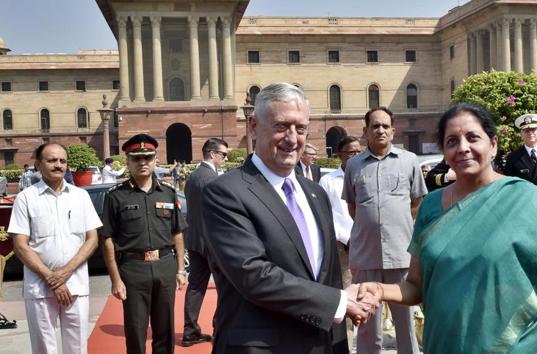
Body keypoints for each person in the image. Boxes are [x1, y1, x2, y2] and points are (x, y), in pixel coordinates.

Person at [357, 102, 537, 353]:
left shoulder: (527, 201)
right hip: (444, 344)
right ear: (445, 152)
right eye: (452, 141)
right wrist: (380, 290)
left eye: (473, 138)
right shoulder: (430, 207)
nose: (462, 148)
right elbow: (415, 286)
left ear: (493, 145)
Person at [202, 83, 377, 353]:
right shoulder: (225, 192)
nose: (293, 139)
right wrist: (339, 302)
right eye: (282, 126)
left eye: (301, 128)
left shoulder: (315, 194)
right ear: (253, 126)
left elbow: (328, 277)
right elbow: (254, 275)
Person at [342, 106, 426, 354]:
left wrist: (394, 223)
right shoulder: (354, 165)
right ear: (365, 131)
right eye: (375, 126)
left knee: (405, 322)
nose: (380, 130)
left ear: (393, 131)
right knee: (366, 319)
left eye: (385, 126)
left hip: (401, 253)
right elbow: (353, 208)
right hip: (366, 254)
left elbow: (416, 203)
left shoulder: (409, 161)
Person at [8, 143, 102, 354]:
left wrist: (65, 273)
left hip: (76, 285)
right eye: (51, 160)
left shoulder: (81, 196)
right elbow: (20, 245)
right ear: (38, 165)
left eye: (62, 161)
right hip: (40, 288)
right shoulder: (25, 199)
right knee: (43, 349)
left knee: (77, 348)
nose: (58, 165)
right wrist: (51, 278)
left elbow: (92, 239)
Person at [100, 134, 188, 354]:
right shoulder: (115, 197)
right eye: (136, 159)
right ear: (128, 161)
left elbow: (177, 233)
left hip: (165, 266)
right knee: (136, 330)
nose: (142, 163)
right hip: (133, 270)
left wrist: (180, 269)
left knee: (165, 329)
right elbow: (108, 239)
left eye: (147, 158)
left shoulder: (168, 192)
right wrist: (116, 279)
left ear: (155, 160)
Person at [182, 138, 228, 347]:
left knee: (195, 287)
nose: (225, 159)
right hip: (212, 242)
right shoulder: (212, 178)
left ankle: (190, 331)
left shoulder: (192, 177)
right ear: (212, 153)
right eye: (223, 154)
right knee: (225, 287)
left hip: (194, 240)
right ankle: (220, 328)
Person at [319, 135, 362, 349]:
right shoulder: (328, 181)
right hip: (342, 246)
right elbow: (327, 214)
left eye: (358, 152)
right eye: (350, 152)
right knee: (347, 294)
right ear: (340, 155)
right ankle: (347, 344)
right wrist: (345, 239)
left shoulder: (365, 174)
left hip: (366, 244)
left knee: (366, 294)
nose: (355, 156)